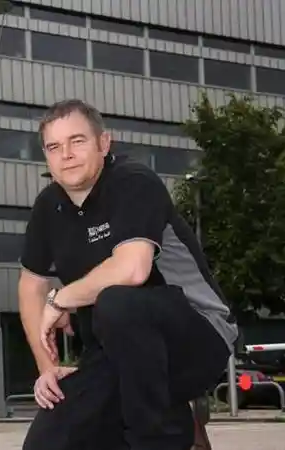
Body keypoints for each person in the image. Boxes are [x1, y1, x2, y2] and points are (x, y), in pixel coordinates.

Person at [18, 99, 239, 450]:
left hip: (196, 335)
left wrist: (61, 300)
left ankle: (160, 438)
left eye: (77, 141)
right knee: (51, 441)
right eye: (54, 147)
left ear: (104, 143)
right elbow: (31, 284)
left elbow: (134, 268)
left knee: (118, 303)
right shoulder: (49, 207)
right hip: (115, 351)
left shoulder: (134, 182)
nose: (66, 155)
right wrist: (47, 368)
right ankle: (178, 421)